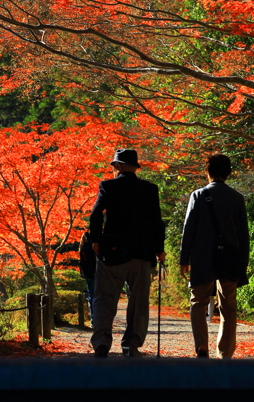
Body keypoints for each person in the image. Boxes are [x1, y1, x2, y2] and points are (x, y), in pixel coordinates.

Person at [89, 148, 166, 357]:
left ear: (119, 166)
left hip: (112, 252)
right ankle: (131, 344)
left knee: (104, 298)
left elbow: (95, 214)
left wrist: (95, 240)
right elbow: (157, 222)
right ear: (135, 167)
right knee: (139, 301)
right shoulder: (149, 189)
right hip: (142, 251)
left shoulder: (108, 186)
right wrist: (160, 249)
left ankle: (102, 343)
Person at [179, 153, 249, 359]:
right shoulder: (237, 198)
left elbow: (188, 229)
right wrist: (243, 261)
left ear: (207, 172)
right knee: (228, 307)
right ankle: (225, 353)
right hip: (230, 258)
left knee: (198, 302)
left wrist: (185, 259)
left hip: (203, 258)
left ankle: (201, 345)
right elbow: (243, 234)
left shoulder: (198, 196)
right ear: (228, 173)